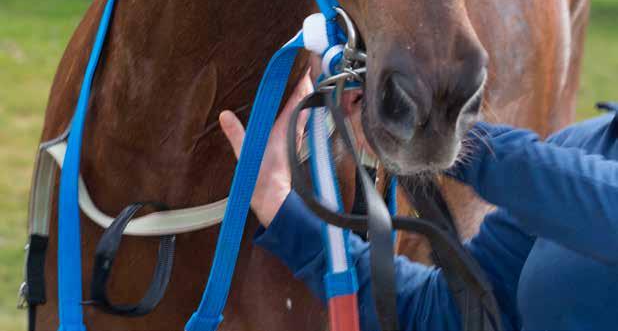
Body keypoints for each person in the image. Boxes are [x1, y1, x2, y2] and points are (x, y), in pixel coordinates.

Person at [220, 74, 618, 331]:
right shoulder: (584, 144)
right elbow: (450, 312)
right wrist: (279, 206)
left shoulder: (574, 171)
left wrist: (438, 135)